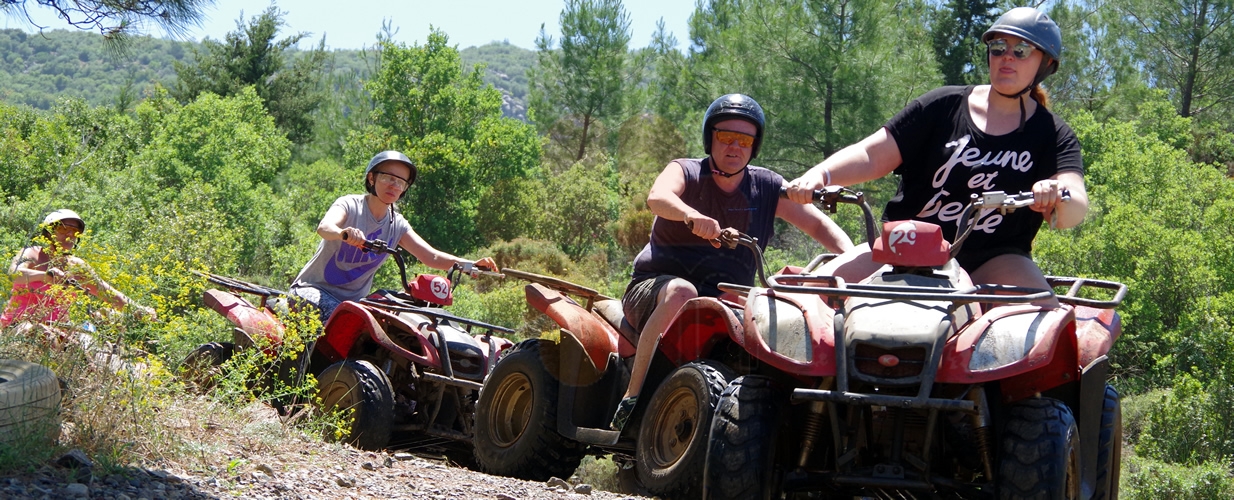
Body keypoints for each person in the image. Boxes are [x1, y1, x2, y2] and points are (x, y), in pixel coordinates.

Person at [786, 6, 1086, 308]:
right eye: (998, 47)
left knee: (1047, 321)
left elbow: (1074, 207)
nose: (1007, 57)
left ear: (1046, 64)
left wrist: (1057, 196)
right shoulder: (942, 105)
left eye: (1021, 50)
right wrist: (820, 175)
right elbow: (871, 153)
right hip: (903, 246)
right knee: (803, 301)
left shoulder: (1053, 134)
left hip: (993, 258)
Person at [611, 94, 854, 431]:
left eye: (744, 140)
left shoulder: (767, 187)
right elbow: (658, 197)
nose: (734, 147)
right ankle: (632, 398)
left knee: (781, 314)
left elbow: (817, 224)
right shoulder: (686, 171)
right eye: (725, 137)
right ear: (710, 138)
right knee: (682, 291)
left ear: (754, 146)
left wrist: (852, 256)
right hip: (656, 285)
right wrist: (692, 216)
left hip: (727, 294)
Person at [289, 150, 498, 323]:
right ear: (372, 178)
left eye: (401, 182)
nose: (394, 186)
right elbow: (324, 227)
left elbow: (430, 257)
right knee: (338, 321)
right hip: (310, 290)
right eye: (388, 178)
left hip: (352, 304)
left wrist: (470, 265)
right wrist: (344, 233)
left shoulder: (396, 224)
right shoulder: (350, 205)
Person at [2, 209, 156, 342]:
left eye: (75, 231)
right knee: (38, 333)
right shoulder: (32, 253)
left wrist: (139, 310)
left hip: (60, 330)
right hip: (20, 324)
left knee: (88, 344)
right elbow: (14, 275)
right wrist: (47, 276)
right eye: (63, 229)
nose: (70, 235)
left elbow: (107, 292)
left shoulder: (77, 266)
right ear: (49, 232)